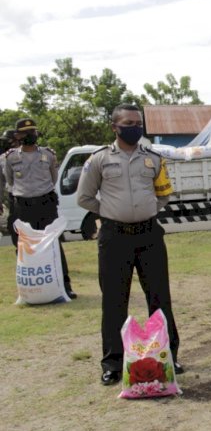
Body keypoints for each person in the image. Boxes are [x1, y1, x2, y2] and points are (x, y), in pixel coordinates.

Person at [77, 104, 182, 385]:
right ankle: (113, 362)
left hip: (149, 235)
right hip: (115, 237)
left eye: (138, 122)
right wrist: (111, 212)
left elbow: (163, 195)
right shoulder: (98, 159)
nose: (135, 127)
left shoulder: (154, 159)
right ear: (114, 126)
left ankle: (168, 354)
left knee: (160, 298)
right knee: (114, 301)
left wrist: (146, 210)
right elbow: (85, 197)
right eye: (128, 122)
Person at [6, 118, 76, 299]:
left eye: (33, 132)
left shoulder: (48, 155)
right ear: (18, 136)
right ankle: (29, 289)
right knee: (25, 247)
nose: (31, 135)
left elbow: (53, 179)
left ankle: (65, 286)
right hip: (23, 206)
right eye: (27, 133)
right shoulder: (11, 157)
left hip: (46, 204)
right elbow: (10, 181)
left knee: (54, 245)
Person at [0, 129, 21, 246]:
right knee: (13, 227)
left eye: (8, 141)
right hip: (13, 198)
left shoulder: (33, 154)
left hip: (33, 196)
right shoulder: (3, 158)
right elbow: (1, 182)